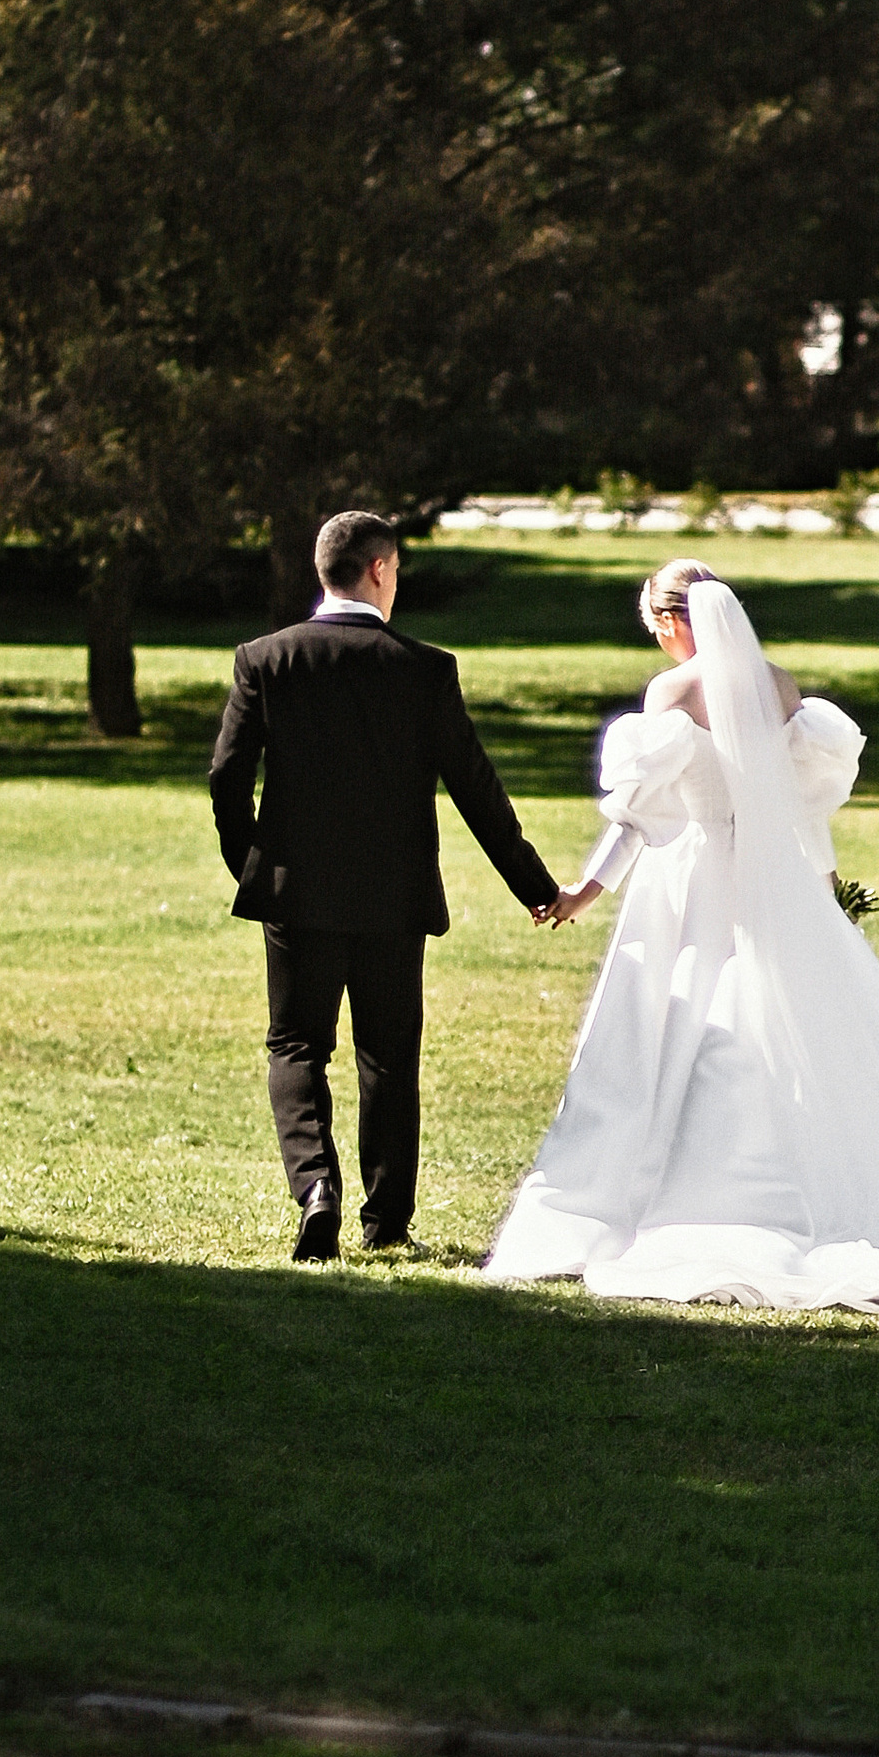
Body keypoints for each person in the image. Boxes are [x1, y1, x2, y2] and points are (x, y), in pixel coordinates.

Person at [484, 557, 879, 1320]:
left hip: (692, 878)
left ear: (671, 623)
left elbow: (635, 818)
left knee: (678, 1028)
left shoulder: (671, 692)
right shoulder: (785, 689)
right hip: (778, 877)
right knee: (796, 1028)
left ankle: (681, 1200)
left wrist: (582, 893)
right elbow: (803, 811)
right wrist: (826, 888)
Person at [209, 507, 564, 1261]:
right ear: (379, 569)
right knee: (389, 1056)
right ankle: (387, 1218)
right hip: (393, 897)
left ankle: (315, 1189)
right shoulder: (424, 668)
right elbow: (476, 786)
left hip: (296, 891)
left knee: (297, 1044)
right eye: (396, 569)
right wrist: (532, 883)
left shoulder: (266, 659)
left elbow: (226, 773)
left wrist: (251, 861)